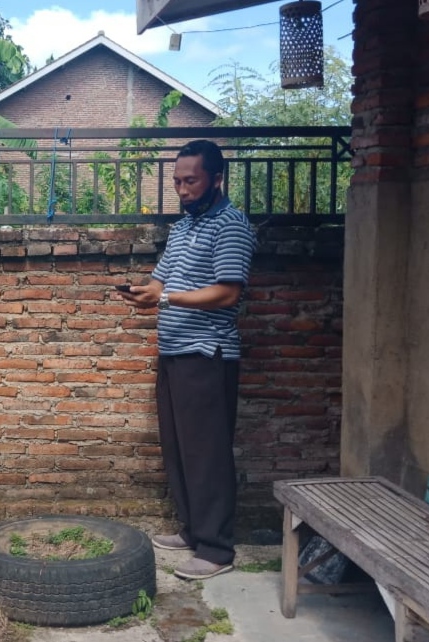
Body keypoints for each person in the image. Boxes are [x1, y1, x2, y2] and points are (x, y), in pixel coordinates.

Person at [118, 139, 256, 581]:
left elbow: (228, 292)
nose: (182, 189)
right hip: (175, 351)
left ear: (217, 178)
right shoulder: (182, 228)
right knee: (180, 448)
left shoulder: (231, 226)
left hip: (207, 355)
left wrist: (168, 297)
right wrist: (145, 294)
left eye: (191, 180)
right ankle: (194, 531)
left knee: (208, 452)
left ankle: (216, 550)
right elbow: (161, 283)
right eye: (177, 181)